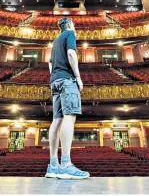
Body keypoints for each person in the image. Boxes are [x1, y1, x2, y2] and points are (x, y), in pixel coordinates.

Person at [45, 17, 90, 180]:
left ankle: (53, 166)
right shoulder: (70, 34)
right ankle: (65, 164)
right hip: (66, 80)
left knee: (56, 120)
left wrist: (55, 76)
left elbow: (49, 63)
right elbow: (71, 53)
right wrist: (78, 77)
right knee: (69, 118)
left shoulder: (55, 40)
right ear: (70, 25)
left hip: (55, 81)